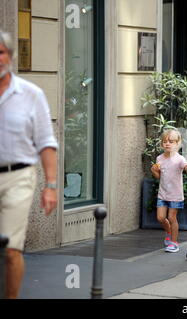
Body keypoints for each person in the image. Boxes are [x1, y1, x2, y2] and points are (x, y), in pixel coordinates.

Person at [0, 30, 58, 299]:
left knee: (11, 249)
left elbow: (46, 141)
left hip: (18, 177)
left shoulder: (30, 94)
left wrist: (51, 185)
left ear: (10, 56)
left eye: (1, 52)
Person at [151, 129, 187, 253]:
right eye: (165, 141)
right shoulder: (159, 158)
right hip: (162, 194)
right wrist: (154, 170)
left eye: (171, 141)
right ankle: (168, 231)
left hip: (175, 195)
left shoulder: (180, 159)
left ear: (177, 144)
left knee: (172, 218)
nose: (167, 144)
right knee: (161, 218)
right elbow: (159, 176)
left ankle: (174, 242)